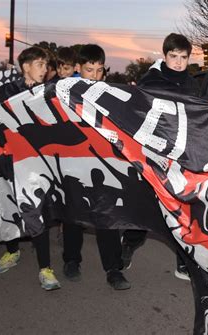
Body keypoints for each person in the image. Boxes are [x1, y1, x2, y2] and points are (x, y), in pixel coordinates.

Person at [122, 33, 200, 281]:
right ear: (165, 56)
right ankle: (128, 244)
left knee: (179, 208)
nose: (178, 62)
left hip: (179, 156)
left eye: (183, 57)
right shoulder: (151, 82)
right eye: (173, 56)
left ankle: (183, 262)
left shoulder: (192, 84)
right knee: (146, 204)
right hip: (152, 153)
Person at [0, 46, 61, 291]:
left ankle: (45, 268)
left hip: (39, 165)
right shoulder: (5, 93)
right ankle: (12, 251)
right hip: (9, 163)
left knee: (35, 211)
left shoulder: (49, 92)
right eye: (40, 64)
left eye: (46, 64)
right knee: (10, 209)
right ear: (26, 66)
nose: (45, 69)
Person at [61, 44, 131, 290]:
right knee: (73, 215)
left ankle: (113, 269)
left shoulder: (109, 92)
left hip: (103, 163)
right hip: (73, 162)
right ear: (78, 68)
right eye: (89, 70)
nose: (94, 75)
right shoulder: (63, 92)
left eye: (99, 70)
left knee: (107, 215)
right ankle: (71, 260)